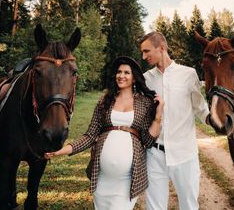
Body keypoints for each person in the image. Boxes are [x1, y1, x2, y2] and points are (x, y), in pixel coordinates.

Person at [45, 56, 164, 210]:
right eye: (119, 72)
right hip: (102, 178)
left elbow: (148, 141)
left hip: (127, 180)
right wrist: (62, 151)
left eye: (127, 73)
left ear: (134, 78)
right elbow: (89, 136)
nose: (121, 76)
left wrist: (158, 117)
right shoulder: (105, 101)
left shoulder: (145, 103)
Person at [140, 31, 234, 210]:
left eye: (147, 51)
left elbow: (201, 110)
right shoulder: (146, 79)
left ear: (161, 48)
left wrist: (221, 123)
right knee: (154, 207)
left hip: (184, 154)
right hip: (154, 155)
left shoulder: (188, 74)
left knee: (188, 205)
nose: (144, 56)